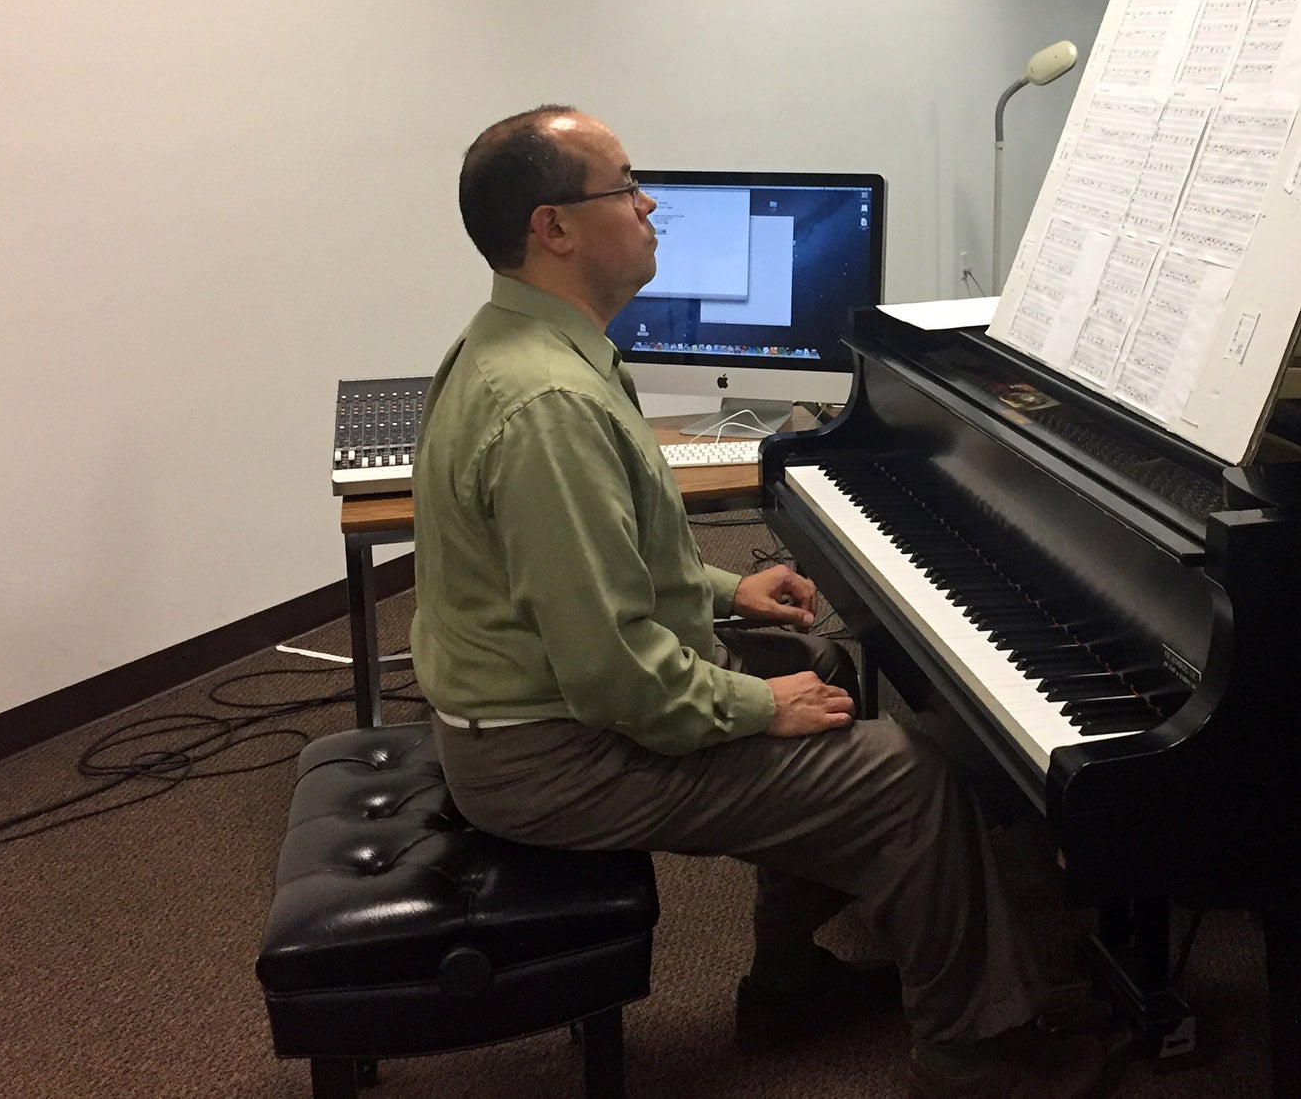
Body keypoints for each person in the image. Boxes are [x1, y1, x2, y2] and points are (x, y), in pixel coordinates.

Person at [409, 106, 1113, 1098]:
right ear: (552, 228)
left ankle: (788, 983)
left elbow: (598, 566)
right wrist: (756, 708)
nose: (649, 204)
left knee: (811, 662)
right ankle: (973, 1057)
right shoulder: (548, 405)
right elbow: (614, 674)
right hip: (550, 754)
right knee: (898, 774)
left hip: (538, 713)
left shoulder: (520, 349)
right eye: (624, 185)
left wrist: (725, 586)